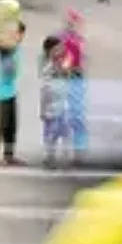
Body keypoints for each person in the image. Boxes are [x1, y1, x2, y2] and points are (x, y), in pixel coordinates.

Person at [0, 21, 24, 166]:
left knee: (11, 126)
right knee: (0, 125)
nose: (20, 37)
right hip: (1, 93)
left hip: (11, 91)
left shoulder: (16, 48)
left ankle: (9, 155)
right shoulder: (6, 48)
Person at [39, 34, 71, 167]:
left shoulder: (63, 66)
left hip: (63, 106)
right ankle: (49, 157)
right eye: (56, 50)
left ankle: (65, 158)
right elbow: (44, 91)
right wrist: (42, 109)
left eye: (61, 49)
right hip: (51, 108)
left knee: (66, 132)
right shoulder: (47, 69)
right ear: (49, 52)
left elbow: (67, 78)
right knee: (51, 134)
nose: (60, 52)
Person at [62, 10, 88, 162]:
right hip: (72, 78)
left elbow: (70, 61)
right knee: (71, 116)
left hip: (74, 78)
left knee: (74, 116)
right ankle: (75, 149)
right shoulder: (70, 41)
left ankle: (77, 150)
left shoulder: (75, 41)